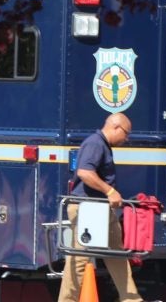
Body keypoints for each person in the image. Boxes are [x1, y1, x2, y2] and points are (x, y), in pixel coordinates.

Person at [58, 112, 145, 302]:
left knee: (117, 256)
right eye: (126, 133)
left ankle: (132, 299)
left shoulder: (103, 145)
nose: (127, 139)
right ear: (115, 126)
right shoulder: (95, 143)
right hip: (88, 209)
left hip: (100, 209)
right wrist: (109, 191)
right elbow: (84, 172)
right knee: (79, 259)